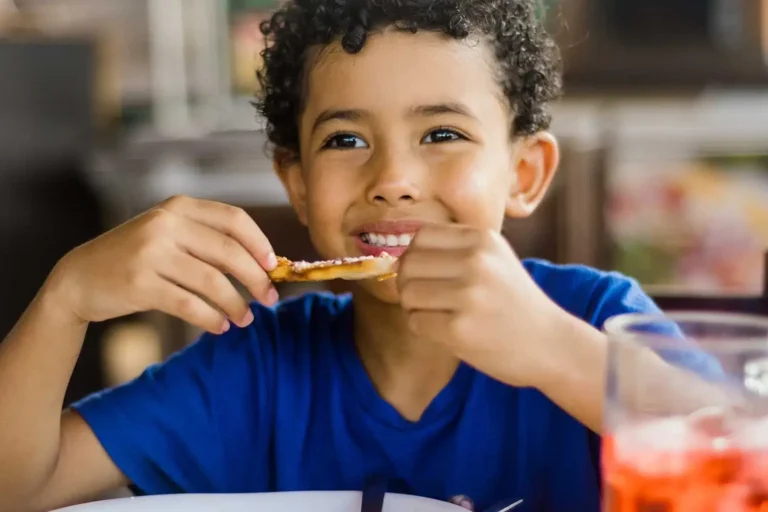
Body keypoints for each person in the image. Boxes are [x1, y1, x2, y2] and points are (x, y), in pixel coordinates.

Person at [0, 0, 661, 510]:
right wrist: (66, 297)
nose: (393, 178)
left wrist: (555, 350)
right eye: (345, 140)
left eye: (441, 133)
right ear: (298, 183)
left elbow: (745, 458)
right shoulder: (256, 370)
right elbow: (20, 488)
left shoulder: (597, 319)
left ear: (525, 172)